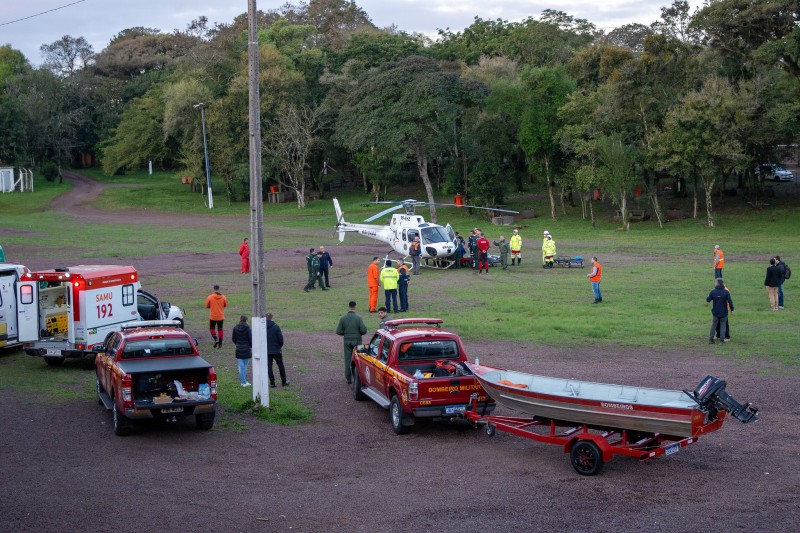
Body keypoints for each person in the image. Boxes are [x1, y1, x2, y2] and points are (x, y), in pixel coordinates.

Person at [336, 301, 367, 384]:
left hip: (347, 340)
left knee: (347, 359)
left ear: (348, 307)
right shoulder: (359, 318)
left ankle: (348, 378)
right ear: (355, 307)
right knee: (359, 358)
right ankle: (359, 377)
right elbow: (363, 330)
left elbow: (338, 331)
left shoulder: (343, 318)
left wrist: (346, 334)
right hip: (357, 340)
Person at [706, 278, 733, 343]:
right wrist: (732, 310)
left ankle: (711, 339)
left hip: (715, 312)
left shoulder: (713, 291)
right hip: (724, 312)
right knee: (723, 325)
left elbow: (708, 300)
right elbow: (730, 301)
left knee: (714, 325)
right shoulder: (726, 292)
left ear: (717, 283)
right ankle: (722, 340)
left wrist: (707, 296)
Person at [266, 312, 288, 388]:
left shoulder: (262, 327)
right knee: (281, 365)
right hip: (276, 350)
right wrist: (279, 346)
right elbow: (280, 339)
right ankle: (284, 382)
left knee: (269, 366)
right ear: (272, 317)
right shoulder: (276, 327)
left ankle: (272, 383)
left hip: (267, 350)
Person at [231, 315, 252, 387]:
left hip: (239, 348)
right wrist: (250, 346)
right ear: (246, 320)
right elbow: (250, 338)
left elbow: (233, 338)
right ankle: (244, 381)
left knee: (241, 366)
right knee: (245, 366)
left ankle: (243, 381)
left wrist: (237, 344)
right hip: (246, 348)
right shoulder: (248, 328)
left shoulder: (235, 328)